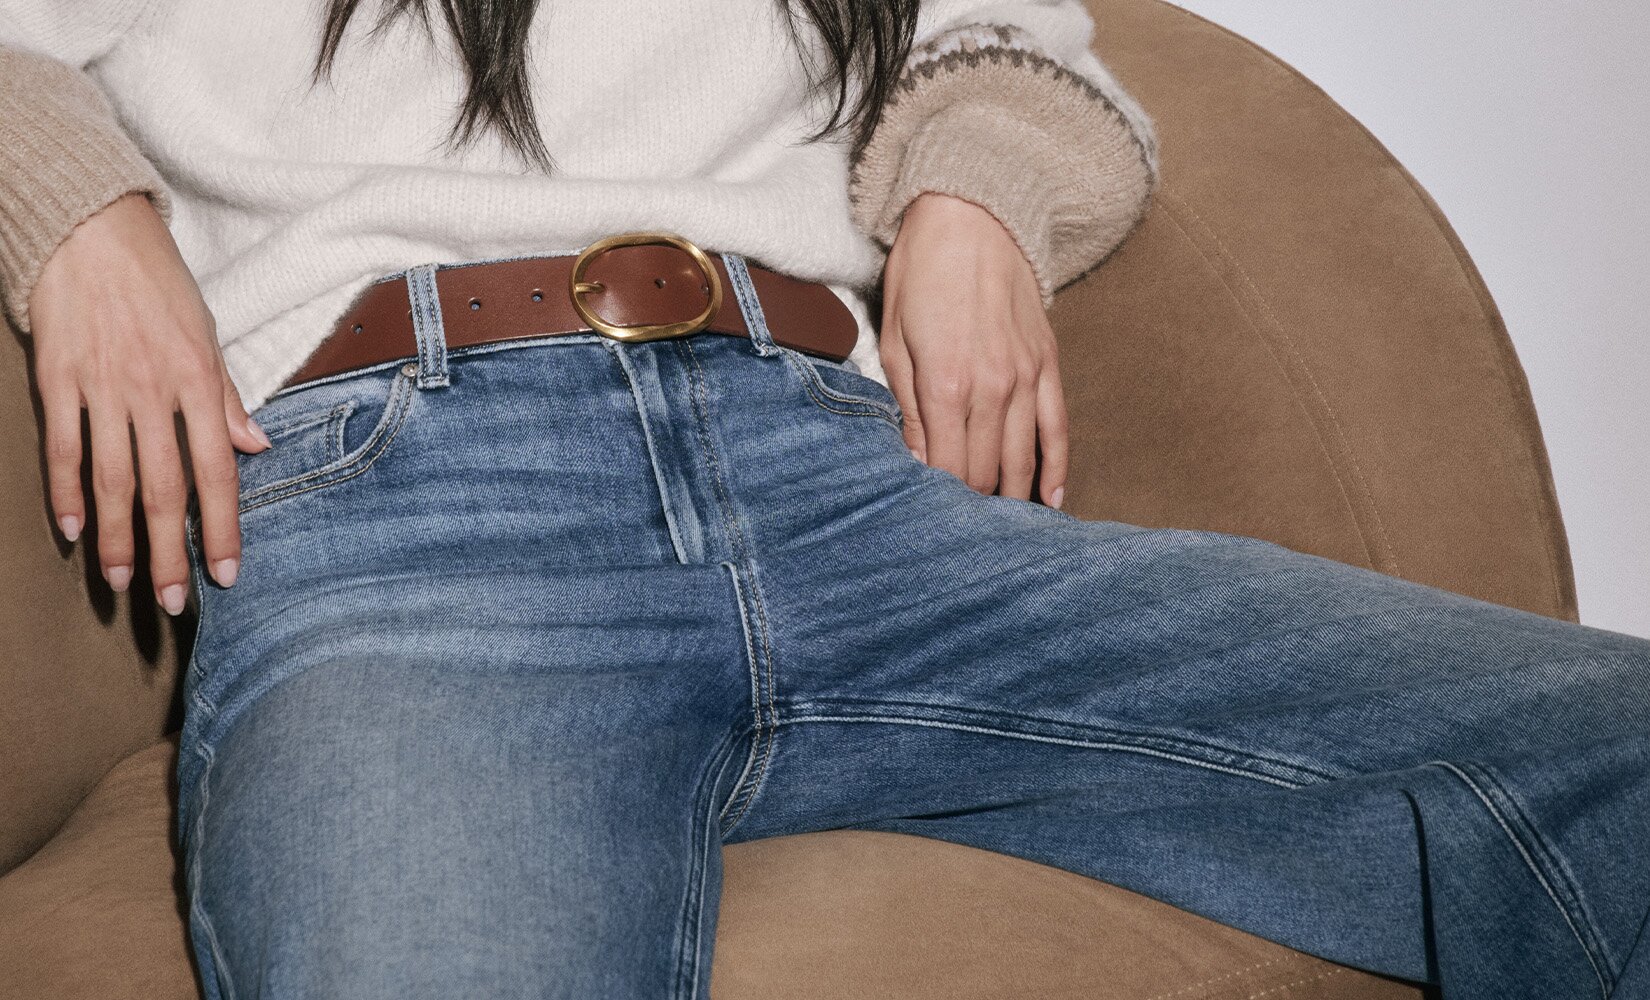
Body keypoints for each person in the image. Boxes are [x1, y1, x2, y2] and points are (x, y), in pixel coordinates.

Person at [1, 2, 1645, 999]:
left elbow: (1015, 45)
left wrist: (972, 203)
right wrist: (74, 216)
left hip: (861, 489)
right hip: (414, 519)